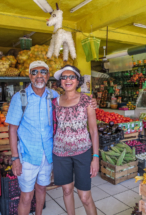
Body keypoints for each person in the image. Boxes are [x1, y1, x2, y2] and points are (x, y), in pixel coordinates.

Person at [5, 61, 97, 215]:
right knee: (27, 197)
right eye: (35, 72)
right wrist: (15, 158)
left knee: (42, 189)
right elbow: (12, 129)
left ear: (48, 76)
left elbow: (87, 122)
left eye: (43, 72)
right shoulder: (20, 97)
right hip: (29, 154)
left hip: (48, 154)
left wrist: (92, 102)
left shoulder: (53, 96)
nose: (39, 76)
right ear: (29, 75)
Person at [52, 65, 99, 215]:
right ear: (60, 82)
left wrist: (95, 157)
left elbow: (93, 131)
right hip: (60, 153)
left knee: (85, 197)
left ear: (77, 80)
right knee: (66, 190)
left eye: (71, 76)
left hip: (83, 152)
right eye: (64, 77)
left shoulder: (87, 100)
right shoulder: (55, 101)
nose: (67, 80)